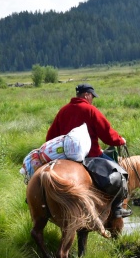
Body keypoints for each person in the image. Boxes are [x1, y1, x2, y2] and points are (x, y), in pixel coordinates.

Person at [46, 83, 131, 218]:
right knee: (121, 174)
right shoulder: (91, 110)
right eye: (92, 96)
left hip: (65, 157)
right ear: (86, 95)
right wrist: (120, 141)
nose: (92, 99)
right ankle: (117, 209)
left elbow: (50, 137)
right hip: (91, 156)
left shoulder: (63, 110)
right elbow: (107, 134)